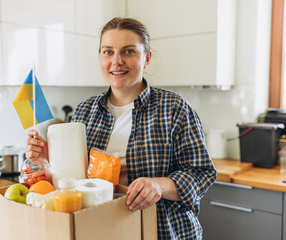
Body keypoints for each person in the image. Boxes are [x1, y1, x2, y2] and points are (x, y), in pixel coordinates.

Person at [26, 17, 217, 239]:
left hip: (163, 232)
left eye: (128, 52)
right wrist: (51, 160)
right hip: (102, 230)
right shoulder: (85, 111)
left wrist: (159, 186)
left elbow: (202, 174)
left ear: (146, 58)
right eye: (108, 52)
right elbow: (76, 182)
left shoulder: (174, 108)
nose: (116, 61)